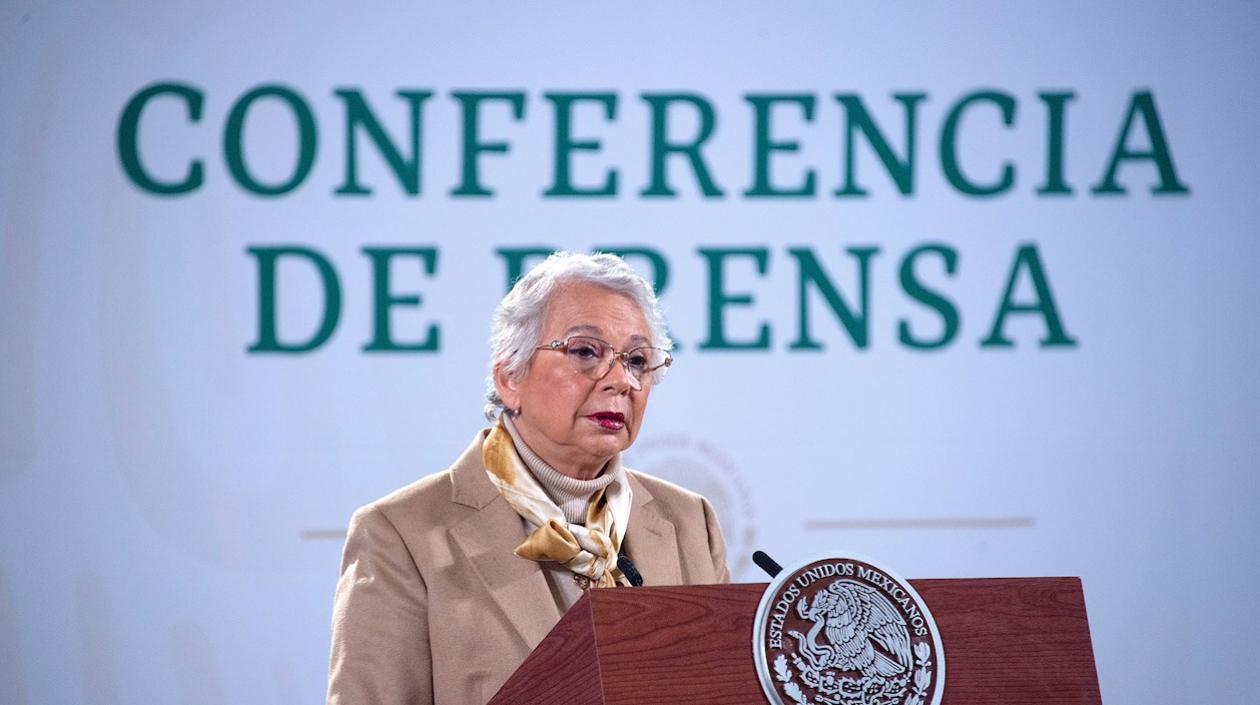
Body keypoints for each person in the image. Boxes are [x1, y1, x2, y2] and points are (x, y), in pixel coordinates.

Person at [326, 252, 731, 705]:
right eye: (585, 352)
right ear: (509, 377)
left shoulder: (690, 522)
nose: (622, 380)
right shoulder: (401, 534)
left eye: (637, 360)